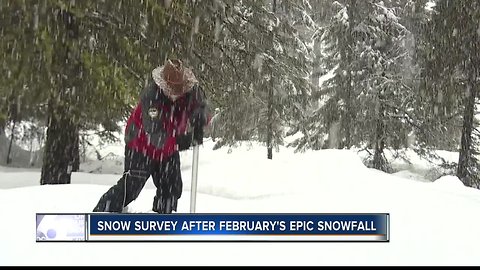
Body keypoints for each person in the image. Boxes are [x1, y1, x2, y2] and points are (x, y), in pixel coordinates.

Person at [92, 59, 209, 214]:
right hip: (140, 145)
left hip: (169, 147)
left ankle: (163, 217)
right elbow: (157, 137)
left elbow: (203, 107)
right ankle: (103, 212)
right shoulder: (152, 97)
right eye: (171, 89)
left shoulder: (190, 92)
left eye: (178, 89)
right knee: (132, 185)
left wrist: (201, 117)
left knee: (172, 186)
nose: (175, 93)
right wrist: (184, 140)